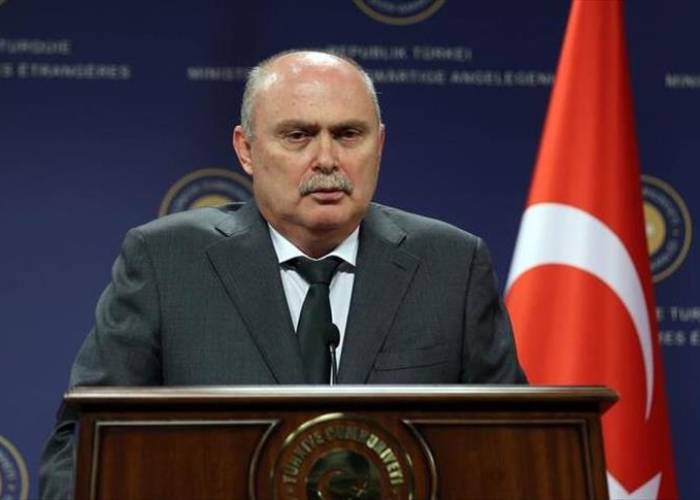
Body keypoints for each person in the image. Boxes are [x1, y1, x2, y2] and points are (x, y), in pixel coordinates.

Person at [39, 50, 526, 498]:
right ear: (246, 149)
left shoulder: (451, 265)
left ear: (379, 144)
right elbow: (82, 444)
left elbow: (515, 448)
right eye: (298, 136)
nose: (327, 160)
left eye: (348, 135)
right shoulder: (166, 262)